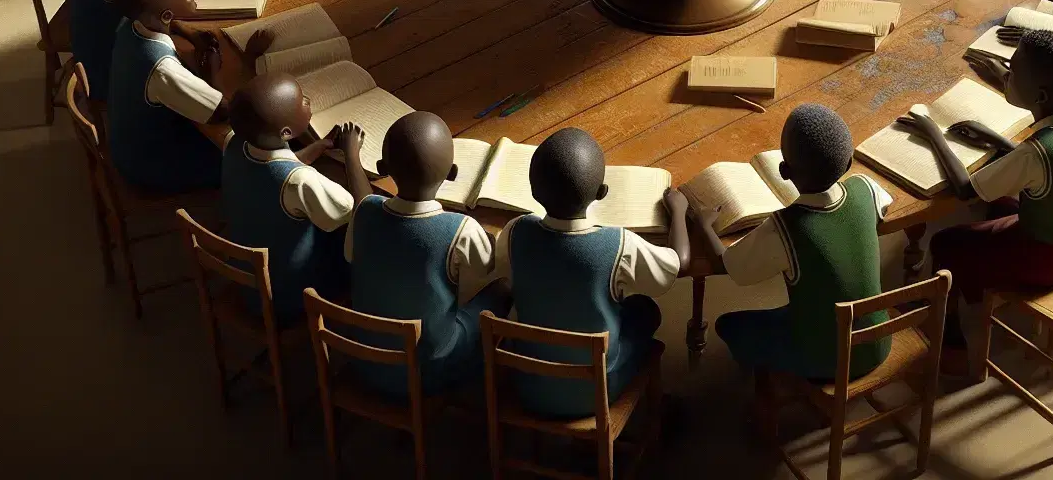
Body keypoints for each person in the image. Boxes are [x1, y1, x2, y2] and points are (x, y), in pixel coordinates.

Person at [912, 31, 1053, 371]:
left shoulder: (1036, 151)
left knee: (945, 242)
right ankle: (978, 285)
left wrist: (933, 133)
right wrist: (996, 139)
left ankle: (951, 338)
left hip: (1049, 259)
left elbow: (966, 189)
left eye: (1013, 71)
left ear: (1040, 94)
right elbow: (1052, 168)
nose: (1006, 76)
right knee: (998, 203)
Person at [493, 127, 689, 417]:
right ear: (602, 193)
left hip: (526, 385)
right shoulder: (618, 244)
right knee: (647, 311)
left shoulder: (515, 232)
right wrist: (679, 212)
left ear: (533, 190)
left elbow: (504, 276)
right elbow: (679, 263)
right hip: (595, 392)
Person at [692, 104, 891, 381]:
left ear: (783, 171)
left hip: (830, 360)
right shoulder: (866, 189)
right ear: (848, 164)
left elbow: (731, 266)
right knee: (797, 309)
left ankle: (777, 383)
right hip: (879, 343)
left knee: (729, 324)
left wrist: (704, 226)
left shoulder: (786, 226)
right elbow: (884, 206)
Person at [341, 112, 510, 400]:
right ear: (452, 174)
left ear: (383, 168)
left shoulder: (365, 212)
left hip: (363, 359)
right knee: (504, 288)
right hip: (429, 371)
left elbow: (351, 255)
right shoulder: (460, 229)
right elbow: (476, 287)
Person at [220, 74, 356, 323]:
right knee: (358, 247)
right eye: (301, 101)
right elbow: (349, 209)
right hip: (288, 294)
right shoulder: (299, 181)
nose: (307, 100)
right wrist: (351, 156)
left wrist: (320, 145)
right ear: (286, 132)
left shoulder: (234, 142)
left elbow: (275, 163)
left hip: (247, 278)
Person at [105, 0, 229, 193]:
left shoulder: (129, 24)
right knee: (248, 157)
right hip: (153, 166)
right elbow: (220, 112)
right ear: (167, 14)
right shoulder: (161, 69)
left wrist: (188, 34)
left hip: (129, 144)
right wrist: (211, 69)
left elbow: (160, 21)